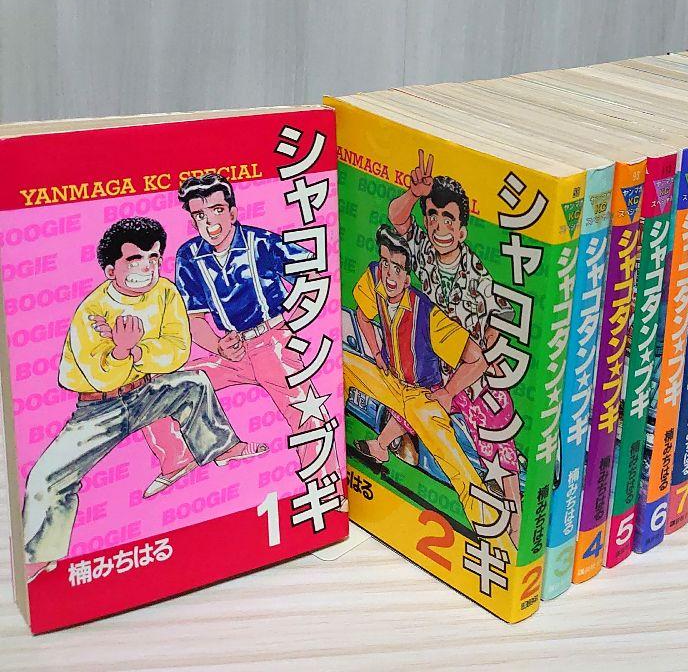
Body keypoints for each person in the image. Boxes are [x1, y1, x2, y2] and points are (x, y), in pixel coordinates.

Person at [22, 218, 258, 569]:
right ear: (111, 270)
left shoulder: (165, 292)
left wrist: (132, 350)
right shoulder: (93, 310)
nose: (146, 267)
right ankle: (40, 557)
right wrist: (119, 353)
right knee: (46, 479)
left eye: (153, 257)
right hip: (99, 410)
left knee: (194, 384)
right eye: (135, 259)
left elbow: (177, 350)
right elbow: (98, 375)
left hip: (145, 392)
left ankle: (221, 447)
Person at [140, 173, 339, 497]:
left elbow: (313, 270)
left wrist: (295, 321)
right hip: (231, 351)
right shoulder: (189, 256)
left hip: (273, 342)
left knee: (307, 414)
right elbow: (194, 319)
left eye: (217, 210)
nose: (210, 222)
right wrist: (218, 345)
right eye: (200, 215)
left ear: (232, 212)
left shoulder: (261, 243)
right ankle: (179, 458)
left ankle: (327, 493)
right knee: (155, 387)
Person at [387, 151, 523, 544]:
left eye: (448, 218)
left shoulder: (477, 275)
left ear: (462, 230)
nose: (439, 226)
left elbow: (494, 331)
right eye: (433, 216)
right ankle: (387, 450)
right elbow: (397, 218)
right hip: (431, 365)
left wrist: (463, 379)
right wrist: (414, 195)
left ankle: (514, 522)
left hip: (470, 372)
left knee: (498, 432)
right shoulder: (422, 251)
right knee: (406, 403)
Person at [345, 225, 492, 531]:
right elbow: (361, 315)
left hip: (421, 393)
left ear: (408, 278)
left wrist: (449, 392)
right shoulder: (375, 277)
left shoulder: (428, 315)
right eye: (385, 263)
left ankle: (488, 526)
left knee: (455, 462)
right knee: (343, 363)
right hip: (389, 379)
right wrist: (377, 354)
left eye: (397, 269)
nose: (388, 274)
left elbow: (477, 360)